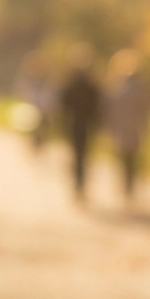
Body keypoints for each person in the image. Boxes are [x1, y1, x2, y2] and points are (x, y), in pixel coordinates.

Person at [105, 49, 150, 203]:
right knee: (131, 159)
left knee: (124, 159)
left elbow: (111, 110)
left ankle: (127, 186)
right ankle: (129, 186)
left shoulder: (117, 88)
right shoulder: (140, 89)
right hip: (133, 128)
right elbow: (146, 111)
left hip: (123, 128)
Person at [58, 44, 101, 202]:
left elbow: (63, 104)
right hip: (84, 124)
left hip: (76, 123)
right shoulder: (89, 83)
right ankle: (80, 183)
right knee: (83, 155)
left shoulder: (72, 82)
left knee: (78, 155)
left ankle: (79, 183)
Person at [15, 52, 56, 152]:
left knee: (42, 128)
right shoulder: (28, 79)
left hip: (43, 108)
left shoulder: (46, 80)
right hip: (32, 107)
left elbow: (49, 95)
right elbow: (22, 91)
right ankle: (34, 143)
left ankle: (39, 143)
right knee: (32, 129)